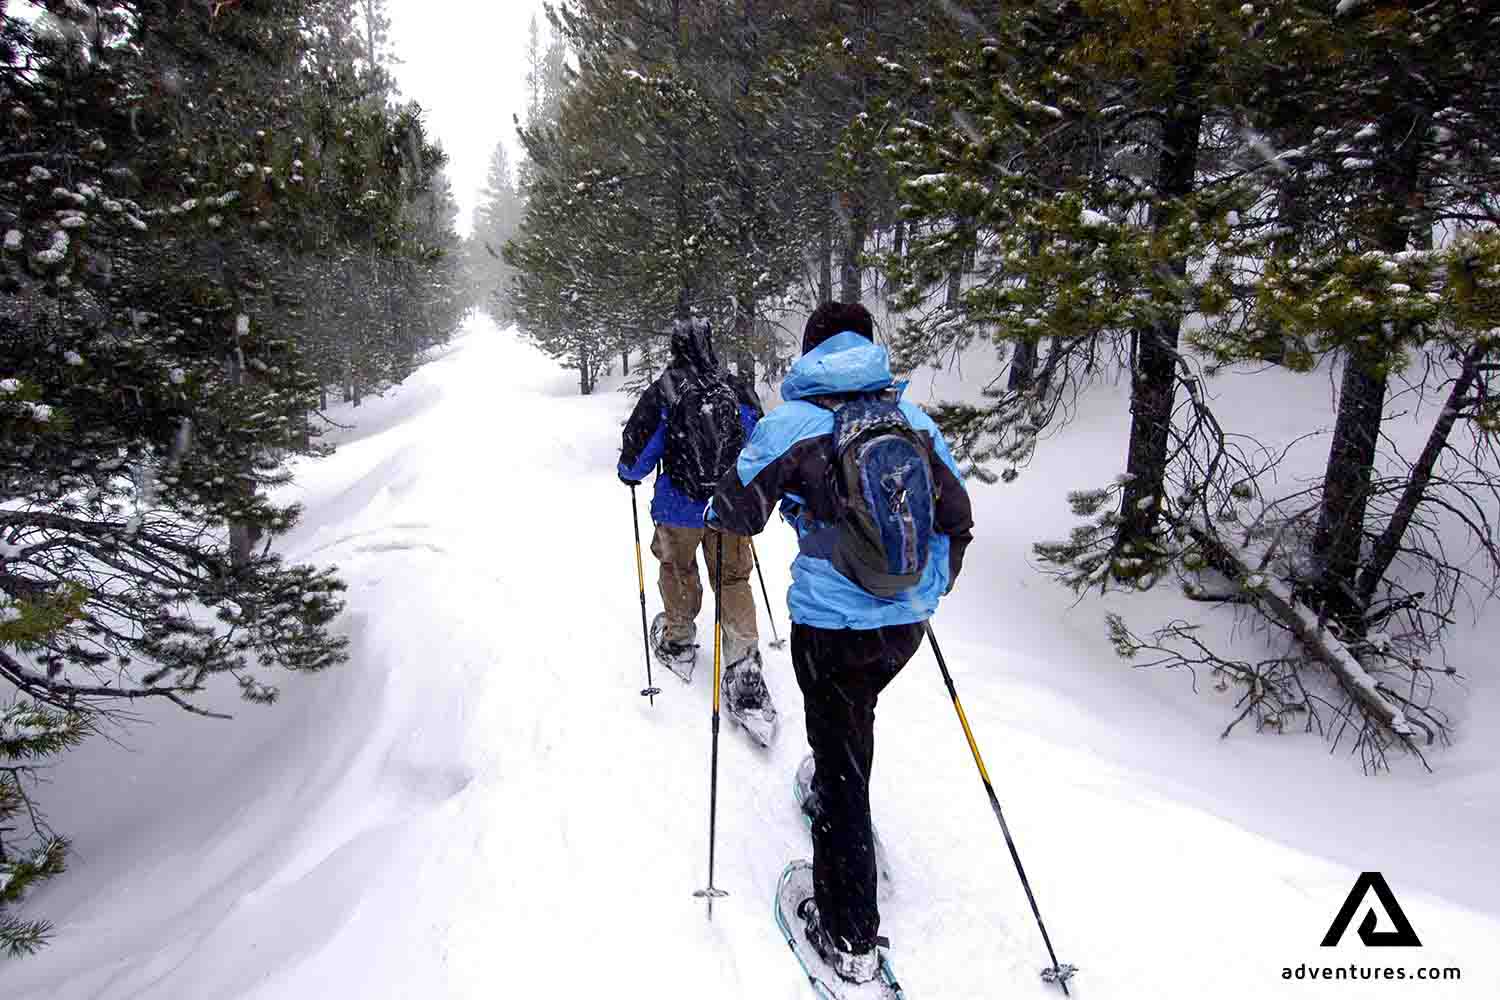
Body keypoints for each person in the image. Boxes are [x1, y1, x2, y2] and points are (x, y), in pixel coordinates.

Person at [708, 302, 974, 983]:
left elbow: (735, 511)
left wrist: (735, 471)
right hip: (906, 626)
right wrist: (927, 587)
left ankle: (850, 934)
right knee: (856, 718)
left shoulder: (795, 422)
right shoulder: (911, 419)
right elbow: (957, 516)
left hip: (832, 626)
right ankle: (838, 793)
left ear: (811, 350)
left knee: (839, 754)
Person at [617, 317, 770, 712]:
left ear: (675, 348)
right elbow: (761, 444)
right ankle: (743, 660)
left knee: (678, 569)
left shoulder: (665, 391)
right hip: (728, 508)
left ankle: (679, 637)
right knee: (733, 576)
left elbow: (636, 459)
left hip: (678, 509)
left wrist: (628, 473)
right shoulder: (735, 390)